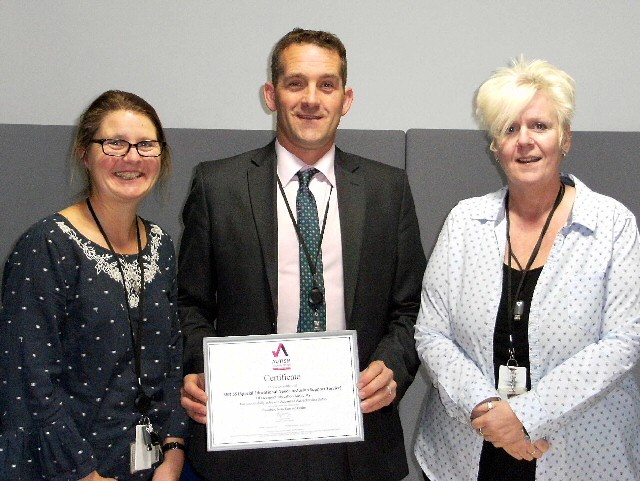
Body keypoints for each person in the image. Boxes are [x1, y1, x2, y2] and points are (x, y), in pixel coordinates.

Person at [178, 28, 426, 481]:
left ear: (346, 99)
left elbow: (412, 307)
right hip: (247, 440)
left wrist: (391, 368)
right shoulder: (218, 185)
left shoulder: (388, 189)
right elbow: (190, 303)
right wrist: (201, 369)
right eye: (296, 83)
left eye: (326, 85)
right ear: (271, 94)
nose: (311, 99)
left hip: (356, 440)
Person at [414, 57, 640, 481]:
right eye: (509, 129)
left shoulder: (612, 225)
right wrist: (489, 414)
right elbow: (431, 333)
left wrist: (524, 417)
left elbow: (623, 342)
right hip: (467, 447)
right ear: (494, 145)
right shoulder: (465, 222)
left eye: (540, 126)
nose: (525, 141)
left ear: (565, 138)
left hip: (579, 453)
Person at [0, 90, 188, 480]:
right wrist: (83, 473)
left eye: (146, 145)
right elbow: (29, 383)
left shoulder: (162, 245)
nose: (132, 158)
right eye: (114, 143)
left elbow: (170, 359)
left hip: (149, 468)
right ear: (84, 153)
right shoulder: (47, 245)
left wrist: (172, 456)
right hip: (63, 469)